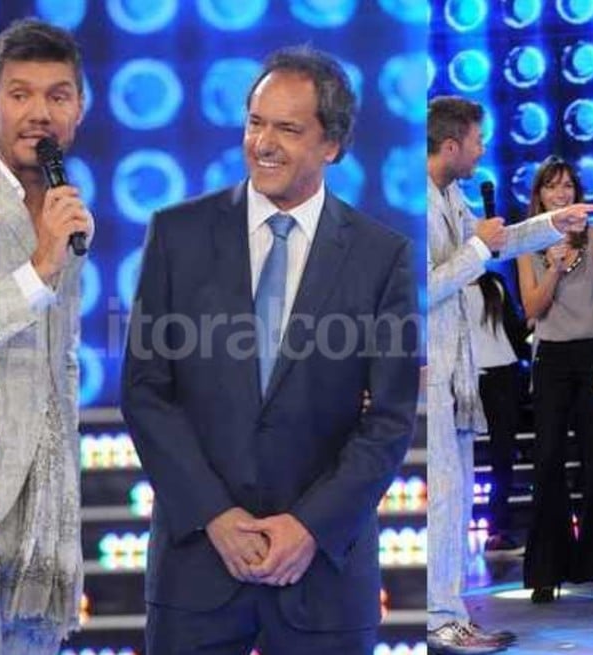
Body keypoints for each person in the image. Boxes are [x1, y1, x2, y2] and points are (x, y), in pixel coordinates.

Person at [121, 46, 419, 654]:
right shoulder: (177, 234)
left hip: (323, 578)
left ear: (331, 144)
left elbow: (389, 419)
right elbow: (146, 392)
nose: (264, 143)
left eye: (287, 128)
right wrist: (216, 516)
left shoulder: (381, 256)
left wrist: (310, 527)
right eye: (255, 123)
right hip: (197, 568)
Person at [424, 96, 593, 653]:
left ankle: (449, 613)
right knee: (442, 501)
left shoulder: (450, 195)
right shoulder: (415, 202)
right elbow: (421, 288)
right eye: (477, 141)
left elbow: (495, 243)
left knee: (456, 502)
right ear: (451, 144)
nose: (482, 150)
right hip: (426, 376)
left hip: (458, 375)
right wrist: (479, 246)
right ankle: (437, 619)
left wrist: (552, 224)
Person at [0, 18, 91, 654]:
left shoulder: (67, 211)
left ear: (78, 110)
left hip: (49, 494)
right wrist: (42, 265)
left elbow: (64, 354)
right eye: (20, 94)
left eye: (58, 95)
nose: (39, 113)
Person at [514, 157, 593, 604]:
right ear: (539, 196)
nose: (560, 194)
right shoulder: (527, 243)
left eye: (567, 187)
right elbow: (531, 309)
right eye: (551, 187)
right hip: (551, 359)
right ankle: (547, 568)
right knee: (548, 461)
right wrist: (555, 267)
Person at [466, 271, 527, 554]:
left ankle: (498, 529)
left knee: (503, 456)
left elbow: (514, 329)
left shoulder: (494, 282)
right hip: (467, 376)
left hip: (503, 373)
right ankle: (458, 525)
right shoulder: (445, 285)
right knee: (462, 456)